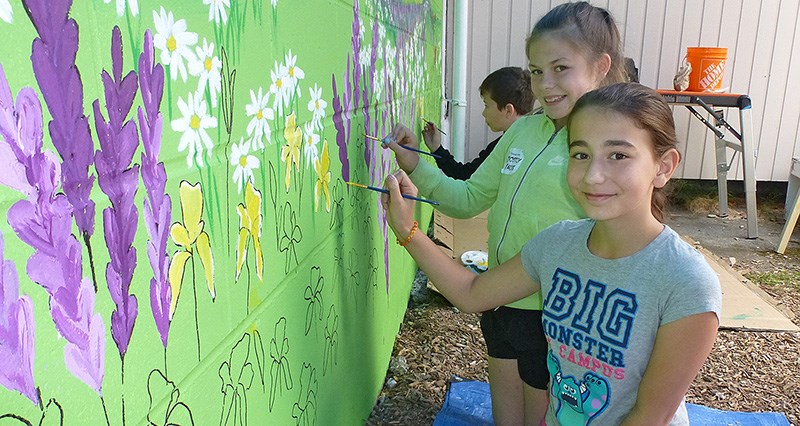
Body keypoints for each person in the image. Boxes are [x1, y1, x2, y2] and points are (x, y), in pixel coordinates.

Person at [383, 83, 722, 425]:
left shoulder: (686, 282)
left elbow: (651, 416)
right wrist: (406, 231)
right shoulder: (557, 245)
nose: (593, 175)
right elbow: (471, 295)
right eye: (580, 154)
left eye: (618, 155)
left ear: (663, 166)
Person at [385, 3, 629, 424]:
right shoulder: (522, 130)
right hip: (498, 301)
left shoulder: (606, 148)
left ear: (601, 66)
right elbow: (465, 199)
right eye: (536, 71)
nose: (545, 84)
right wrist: (414, 164)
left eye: (560, 68)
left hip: (555, 321)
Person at [423, 66, 534, 180]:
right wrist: (437, 148)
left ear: (508, 110)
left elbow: (465, 176)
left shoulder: (502, 148)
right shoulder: (530, 139)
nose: (483, 113)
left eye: (486, 105)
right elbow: (465, 174)